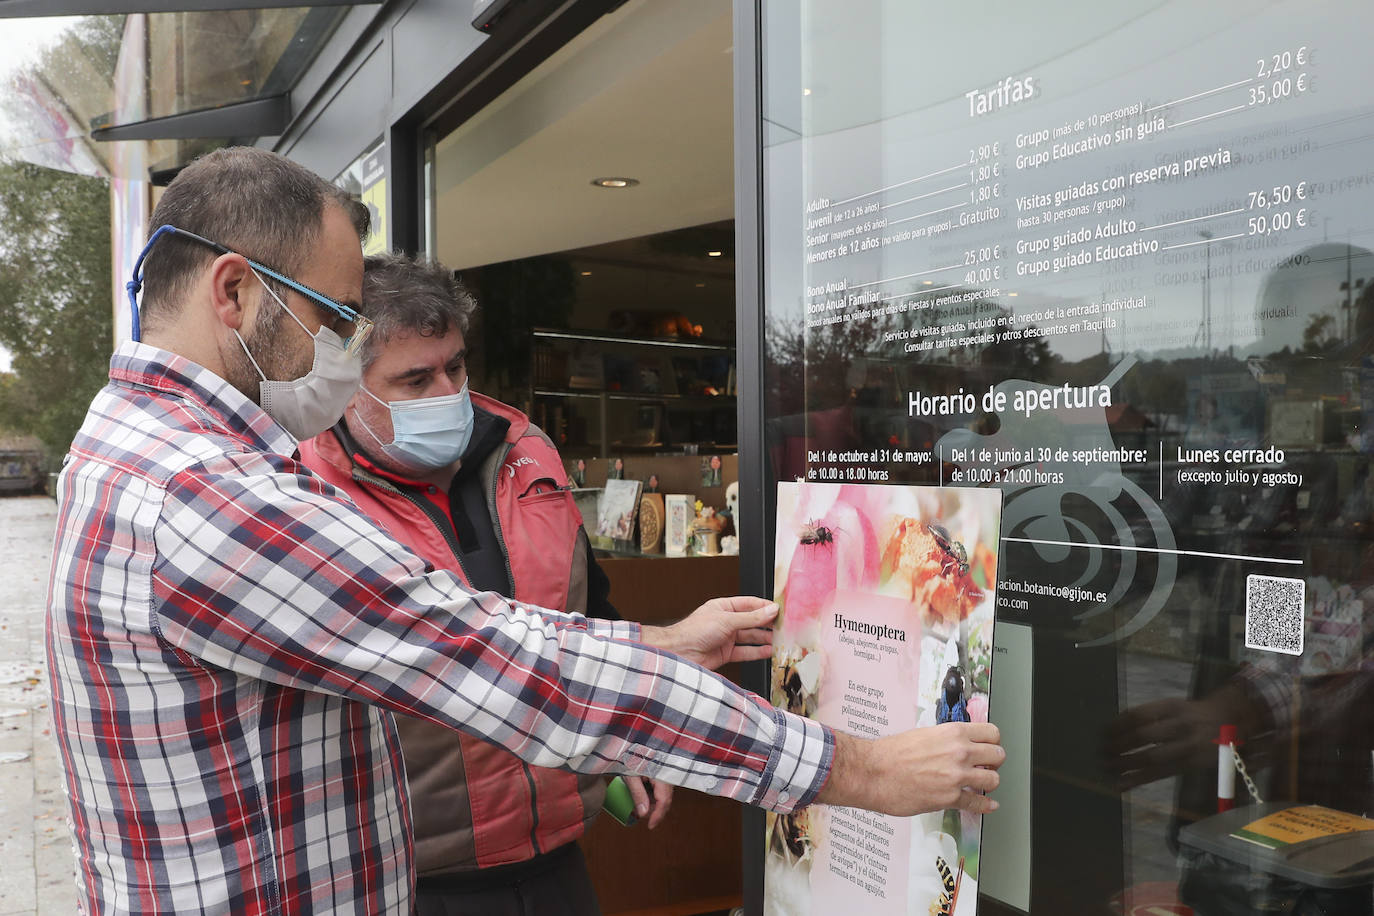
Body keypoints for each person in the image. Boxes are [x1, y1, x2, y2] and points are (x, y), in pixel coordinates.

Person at [46, 147, 1003, 915]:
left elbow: (468, 627)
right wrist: (862, 767)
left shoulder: (129, 451)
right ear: (235, 294)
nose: (341, 353)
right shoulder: (215, 499)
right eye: (336, 318)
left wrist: (658, 641)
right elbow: (502, 666)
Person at [298, 252, 671, 915]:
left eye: (455, 366)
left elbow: (591, 610)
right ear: (345, 389)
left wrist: (625, 736)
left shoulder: (527, 453)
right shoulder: (303, 500)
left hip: (557, 857)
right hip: (409, 880)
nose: (447, 393)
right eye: (415, 379)